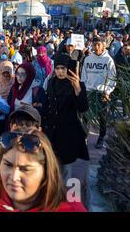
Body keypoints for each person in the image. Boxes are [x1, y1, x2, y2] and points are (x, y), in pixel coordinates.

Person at [0, 130, 87, 212]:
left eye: (25, 169)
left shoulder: (70, 208)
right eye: (7, 164)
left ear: (46, 171)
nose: (14, 177)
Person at [46, 54, 90, 203]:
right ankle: (55, 198)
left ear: (67, 68)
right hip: (53, 132)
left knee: (69, 170)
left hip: (70, 133)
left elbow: (83, 108)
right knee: (54, 166)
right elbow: (49, 106)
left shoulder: (76, 83)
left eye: (63, 68)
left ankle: (68, 203)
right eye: (57, 68)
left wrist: (78, 89)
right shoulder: (51, 82)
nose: (60, 72)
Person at [81, 37, 116, 149]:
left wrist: (108, 91)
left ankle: (101, 137)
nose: (96, 47)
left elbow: (112, 78)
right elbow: (83, 76)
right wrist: (83, 89)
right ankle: (84, 137)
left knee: (102, 117)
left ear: (103, 46)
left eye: (98, 45)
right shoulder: (88, 59)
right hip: (89, 91)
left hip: (102, 93)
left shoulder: (108, 60)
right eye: (94, 45)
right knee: (86, 116)